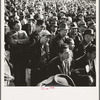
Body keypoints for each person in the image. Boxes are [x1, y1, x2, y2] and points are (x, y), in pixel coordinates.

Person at [6, 20, 29, 86]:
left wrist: (18, 41)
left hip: (23, 56)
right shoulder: (9, 33)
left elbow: (28, 41)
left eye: (20, 26)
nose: (20, 27)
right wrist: (22, 42)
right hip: (15, 57)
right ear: (13, 26)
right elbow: (12, 43)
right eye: (18, 26)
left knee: (23, 73)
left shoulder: (23, 32)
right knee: (17, 73)